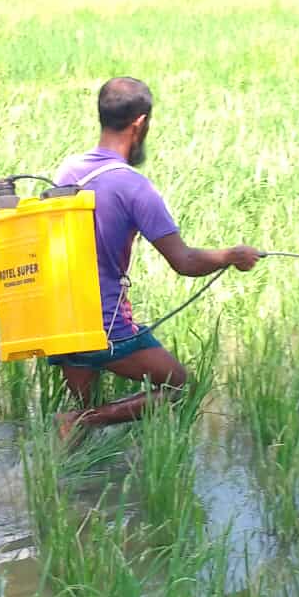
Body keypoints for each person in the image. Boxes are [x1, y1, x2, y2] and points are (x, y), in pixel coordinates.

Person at [48, 76, 259, 441]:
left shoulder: (68, 170)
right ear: (140, 123)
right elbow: (185, 261)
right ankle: (82, 422)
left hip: (62, 322)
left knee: (79, 438)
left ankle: (66, 479)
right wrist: (231, 256)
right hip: (105, 325)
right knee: (182, 389)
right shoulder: (134, 186)